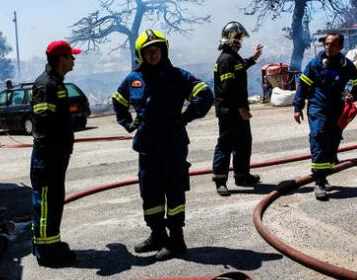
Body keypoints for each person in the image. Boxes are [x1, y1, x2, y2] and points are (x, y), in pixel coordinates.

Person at [113, 29, 213, 261]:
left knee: (174, 191)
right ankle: (157, 234)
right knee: (150, 193)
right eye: (148, 50)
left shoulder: (178, 76)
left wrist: (186, 117)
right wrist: (129, 124)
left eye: (157, 49)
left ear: (164, 50)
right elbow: (118, 101)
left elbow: (205, 94)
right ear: (141, 54)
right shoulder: (133, 79)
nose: (153, 53)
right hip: (147, 148)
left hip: (172, 146)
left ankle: (176, 240)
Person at [30, 40, 81, 267]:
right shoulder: (47, 85)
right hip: (48, 156)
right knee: (46, 204)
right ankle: (47, 253)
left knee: (52, 202)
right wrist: (53, 151)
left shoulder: (56, 83)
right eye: (71, 56)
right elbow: (43, 122)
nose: (74, 60)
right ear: (61, 59)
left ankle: (50, 243)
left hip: (54, 156)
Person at [293, 33, 357, 201]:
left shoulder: (346, 65)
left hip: (337, 108)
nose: (328, 47)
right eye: (326, 44)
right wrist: (298, 107)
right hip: (318, 107)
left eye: (332, 44)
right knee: (319, 137)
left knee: (333, 139)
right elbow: (303, 86)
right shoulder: (315, 64)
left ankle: (325, 171)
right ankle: (319, 181)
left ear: (340, 47)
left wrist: (354, 94)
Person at [211, 21, 263, 197]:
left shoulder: (233, 58)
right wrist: (240, 107)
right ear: (233, 38)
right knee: (225, 145)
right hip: (229, 111)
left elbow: (240, 68)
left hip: (238, 110)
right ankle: (220, 180)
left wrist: (254, 58)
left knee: (243, 142)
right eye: (240, 38)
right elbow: (228, 88)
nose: (241, 42)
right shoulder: (226, 59)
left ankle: (242, 176)